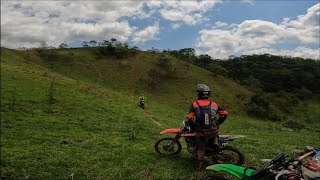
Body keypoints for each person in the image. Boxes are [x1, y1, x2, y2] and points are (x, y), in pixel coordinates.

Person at [186, 84, 229, 171]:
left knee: (200, 147)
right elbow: (225, 114)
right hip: (213, 130)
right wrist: (218, 123)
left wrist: (193, 128)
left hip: (201, 131)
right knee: (215, 133)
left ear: (198, 94)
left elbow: (190, 118)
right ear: (208, 94)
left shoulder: (195, 104)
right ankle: (215, 143)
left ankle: (199, 165)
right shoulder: (214, 104)